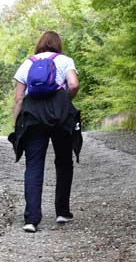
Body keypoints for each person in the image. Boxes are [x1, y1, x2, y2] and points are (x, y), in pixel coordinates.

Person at [9, 31, 82, 233]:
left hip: (32, 116)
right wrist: (65, 100)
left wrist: (17, 123)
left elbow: (19, 98)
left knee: (33, 165)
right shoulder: (65, 60)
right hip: (60, 116)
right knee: (64, 161)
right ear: (58, 45)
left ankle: (31, 219)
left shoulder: (28, 63)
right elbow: (74, 84)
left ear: (39, 44)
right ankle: (62, 212)